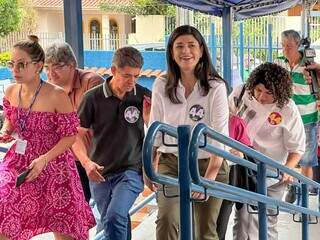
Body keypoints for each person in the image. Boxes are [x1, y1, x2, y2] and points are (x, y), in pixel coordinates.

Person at [0, 36, 95, 240]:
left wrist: (44, 159)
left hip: (55, 166)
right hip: (20, 161)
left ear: (38, 66)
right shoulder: (10, 91)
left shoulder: (56, 95)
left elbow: (70, 136)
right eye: (12, 64)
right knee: (4, 206)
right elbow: (11, 119)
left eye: (21, 64)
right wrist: (6, 130)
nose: (15, 70)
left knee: (64, 229)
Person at [147, 25, 229, 240]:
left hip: (209, 163)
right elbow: (155, 125)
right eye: (179, 46)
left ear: (201, 50)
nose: (186, 51)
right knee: (167, 220)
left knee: (204, 231)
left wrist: (208, 178)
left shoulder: (215, 87)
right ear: (171, 53)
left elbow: (220, 136)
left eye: (191, 45)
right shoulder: (162, 84)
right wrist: (148, 164)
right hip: (171, 162)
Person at [74, 46, 151, 240]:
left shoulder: (142, 95)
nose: (132, 81)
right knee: (116, 221)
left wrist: (149, 117)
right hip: (99, 172)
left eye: (136, 76)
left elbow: (158, 129)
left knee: (114, 216)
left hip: (131, 170)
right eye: (127, 76)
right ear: (113, 70)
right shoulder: (92, 98)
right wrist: (86, 163)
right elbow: (75, 136)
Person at [229, 62, 306, 240]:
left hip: (273, 173)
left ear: (279, 92)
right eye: (258, 90)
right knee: (242, 217)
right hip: (243, 167)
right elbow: (226, 121)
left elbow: (297, 148)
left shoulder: (287, 109)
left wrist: (288, 169)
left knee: (267, 220)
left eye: (269, 93)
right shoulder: (242, 93)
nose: (261, 97)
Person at [44, 42, 104, 202]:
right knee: (72, 209)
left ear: (72, 65)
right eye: (47, 67)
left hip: (99, 157)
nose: (50, 73)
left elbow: (99, 124)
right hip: (72, 160)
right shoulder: (50, 91)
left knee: (109, 212)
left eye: (57, 66)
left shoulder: (92, 83)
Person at [274, 30, 319, 201]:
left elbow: (317, 90)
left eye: (289, 46)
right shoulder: (279, 62)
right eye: (283, 45)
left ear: (298, 45)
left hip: (307, 117)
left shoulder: (309, 65)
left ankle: (304, 195)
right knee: (286, 154)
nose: (285, 49)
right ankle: (291, 185)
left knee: (307, 159)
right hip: (285, 118)